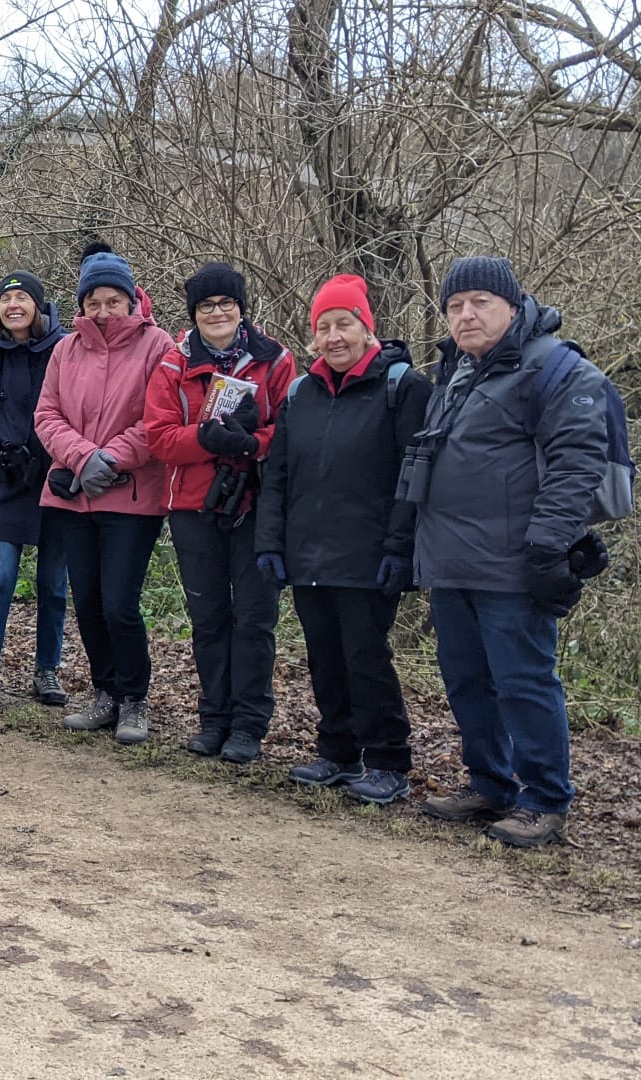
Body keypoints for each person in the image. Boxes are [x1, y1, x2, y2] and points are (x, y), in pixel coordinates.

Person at [409, 258, 611, 848]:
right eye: (454, 306)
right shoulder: (458, 372)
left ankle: (544, 798)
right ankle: (490, 783)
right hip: (451, 560)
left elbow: (576, 466)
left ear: (513, 306)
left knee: (523, 682)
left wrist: (548, 550)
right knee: (467, 680)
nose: (465, 315)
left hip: (514, 563)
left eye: (479, 302)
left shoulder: (555, 369)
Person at [255, 275, 431, 804]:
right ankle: (337, 750)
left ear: (366, 328)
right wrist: (270, 542)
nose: (334, 337)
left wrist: (400, 548)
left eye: (344, 325)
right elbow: (278, 475)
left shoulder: (404, 388)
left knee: (365, 656)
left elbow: (413, 477)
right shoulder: (301, 393)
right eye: (323, 327)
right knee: (323, 656)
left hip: (368, 553)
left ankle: (388, 760)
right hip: (308, 549)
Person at [146, 260, 295, 764]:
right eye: (206, 305)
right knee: (208, 618)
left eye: (226, 303)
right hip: (191, 505)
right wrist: (207, 439)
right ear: (193, 311)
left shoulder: (274, 360)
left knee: (254, 618)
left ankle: (249, 723)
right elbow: (160, 437)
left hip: (253, 503)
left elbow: (293, 432)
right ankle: (213, 719)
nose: (217, 313)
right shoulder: (173, 363)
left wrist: (252, 442)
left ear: (241, 307)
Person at [32, 249, 172, 742]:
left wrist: (108, 459)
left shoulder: (159, 346)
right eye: (95, 301)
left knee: (119, 603)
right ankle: (105, 693)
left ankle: (134, 698)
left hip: (131, 495)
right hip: (73, 495)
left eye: (115, 300)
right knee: (86, 601)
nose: (105, 310)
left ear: (133, 300)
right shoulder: (65, 350)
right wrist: (82, 457)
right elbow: (46, 415)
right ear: (82, 303)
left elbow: (159, 420)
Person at [0, 270, 71, 716]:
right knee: (1, 577)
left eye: (21, 297)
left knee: (53, 583)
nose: (13, 305)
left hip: (56, 477)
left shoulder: (63, 350)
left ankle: (47, 669)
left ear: (38, 304)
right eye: (6, 298)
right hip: (9, 480)